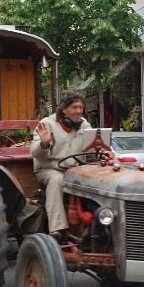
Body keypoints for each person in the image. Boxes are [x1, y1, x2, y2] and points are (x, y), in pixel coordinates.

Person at [32, 93, 102, 238]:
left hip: (75, 170)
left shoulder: (84, 125)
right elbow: (35, 153)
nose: (79, 111)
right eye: (74, 107)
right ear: (64, 109)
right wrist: (44, 143)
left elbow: (92, 149)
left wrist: (102, 151)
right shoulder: (47, 124)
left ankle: (99, 223)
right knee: (57, 180)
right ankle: (57, 229)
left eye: (81, 107)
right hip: (49, 169)